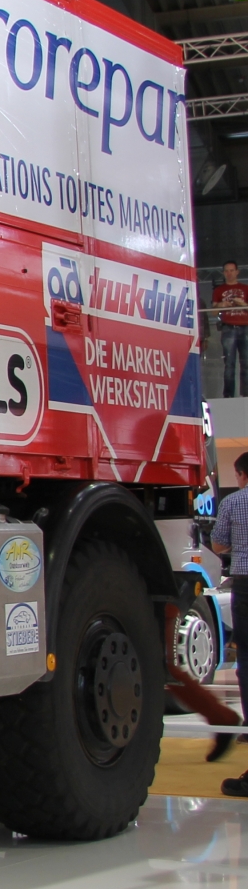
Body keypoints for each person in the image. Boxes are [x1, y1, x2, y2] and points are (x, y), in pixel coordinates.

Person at [214, 452, 248, 794]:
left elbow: (218, 542)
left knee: (247, 661)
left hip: (246, 584)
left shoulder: (234, 502)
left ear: (241, 474)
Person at [214, 262, 248, 397]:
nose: (229, 273)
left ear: (237, 272)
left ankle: (246, 395)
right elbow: (213, 313)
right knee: (229, 363)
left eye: (232, 270)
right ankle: (228, 395)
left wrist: (243, 304)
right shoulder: (218, 290)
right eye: (227, 271)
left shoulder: (245, 288)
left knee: (246, 362)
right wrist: (222, 305)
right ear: (223, 273)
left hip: (245, 327)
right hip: (228, 327)